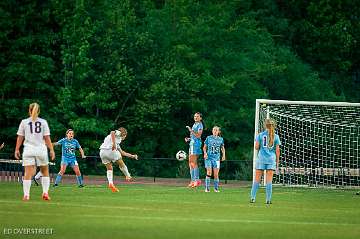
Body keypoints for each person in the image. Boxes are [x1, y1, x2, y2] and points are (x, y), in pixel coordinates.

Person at [14, 103, 55, 201]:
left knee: (28, 172)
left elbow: (20, 137)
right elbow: (47, 137)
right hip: (40, 149)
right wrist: (51, 149)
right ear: (39, 111)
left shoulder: (24, 122)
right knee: (45, 171)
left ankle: (26, 195)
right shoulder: (43, 122)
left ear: (29, 110)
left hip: (28, 149)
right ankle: (45, 192)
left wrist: (16, 149)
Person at [250, 118, 281, 204]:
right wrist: (277, 162)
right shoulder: (276, 136)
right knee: (269, 180)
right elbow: (277, 151)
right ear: (273, 126)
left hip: (261, 159)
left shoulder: (260, 135)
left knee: (257, 179)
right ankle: (268, 199)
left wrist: (259, 146)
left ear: (265, 125)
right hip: (271, 160)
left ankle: (252, 198)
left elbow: (256, 147)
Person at [99, 127, 138, 192]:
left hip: (102, 152)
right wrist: (114, 144)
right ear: (124, 133)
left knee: (109, 168)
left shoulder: (117, 142)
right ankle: (128, 175)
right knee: (121, 162)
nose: (125, 137)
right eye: (125, 135)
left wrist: (132, 156)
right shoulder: (119, 134)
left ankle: (111, 183)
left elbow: (122, 153)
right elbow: (112, 132)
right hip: (110, 150)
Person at [203, 126, 225, 192]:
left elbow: (222, 148)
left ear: (219, 132)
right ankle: (207, 188)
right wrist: (205, 153)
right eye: (214, 130)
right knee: (209, 172)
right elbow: (204, 147)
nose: (215, 131)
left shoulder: (221, 139)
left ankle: (216, 188)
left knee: (216, 174)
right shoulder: (208, 138)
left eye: (216, 130)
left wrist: (223, 155)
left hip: (216, 159)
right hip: (208, 158)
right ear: (212, 131)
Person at [185, 112, 204, 188]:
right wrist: (189, 139)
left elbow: (199, 135)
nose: (195, 117)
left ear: (200, 118)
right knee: (190, 163)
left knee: (193, 162)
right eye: (195, 116)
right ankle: (192, 180)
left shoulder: (200, 125)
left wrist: (191, 130)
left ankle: (197, 180)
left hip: (195, 145)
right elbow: (194, 136)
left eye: (197, 116)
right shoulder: (194, 124)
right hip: (192, 143)